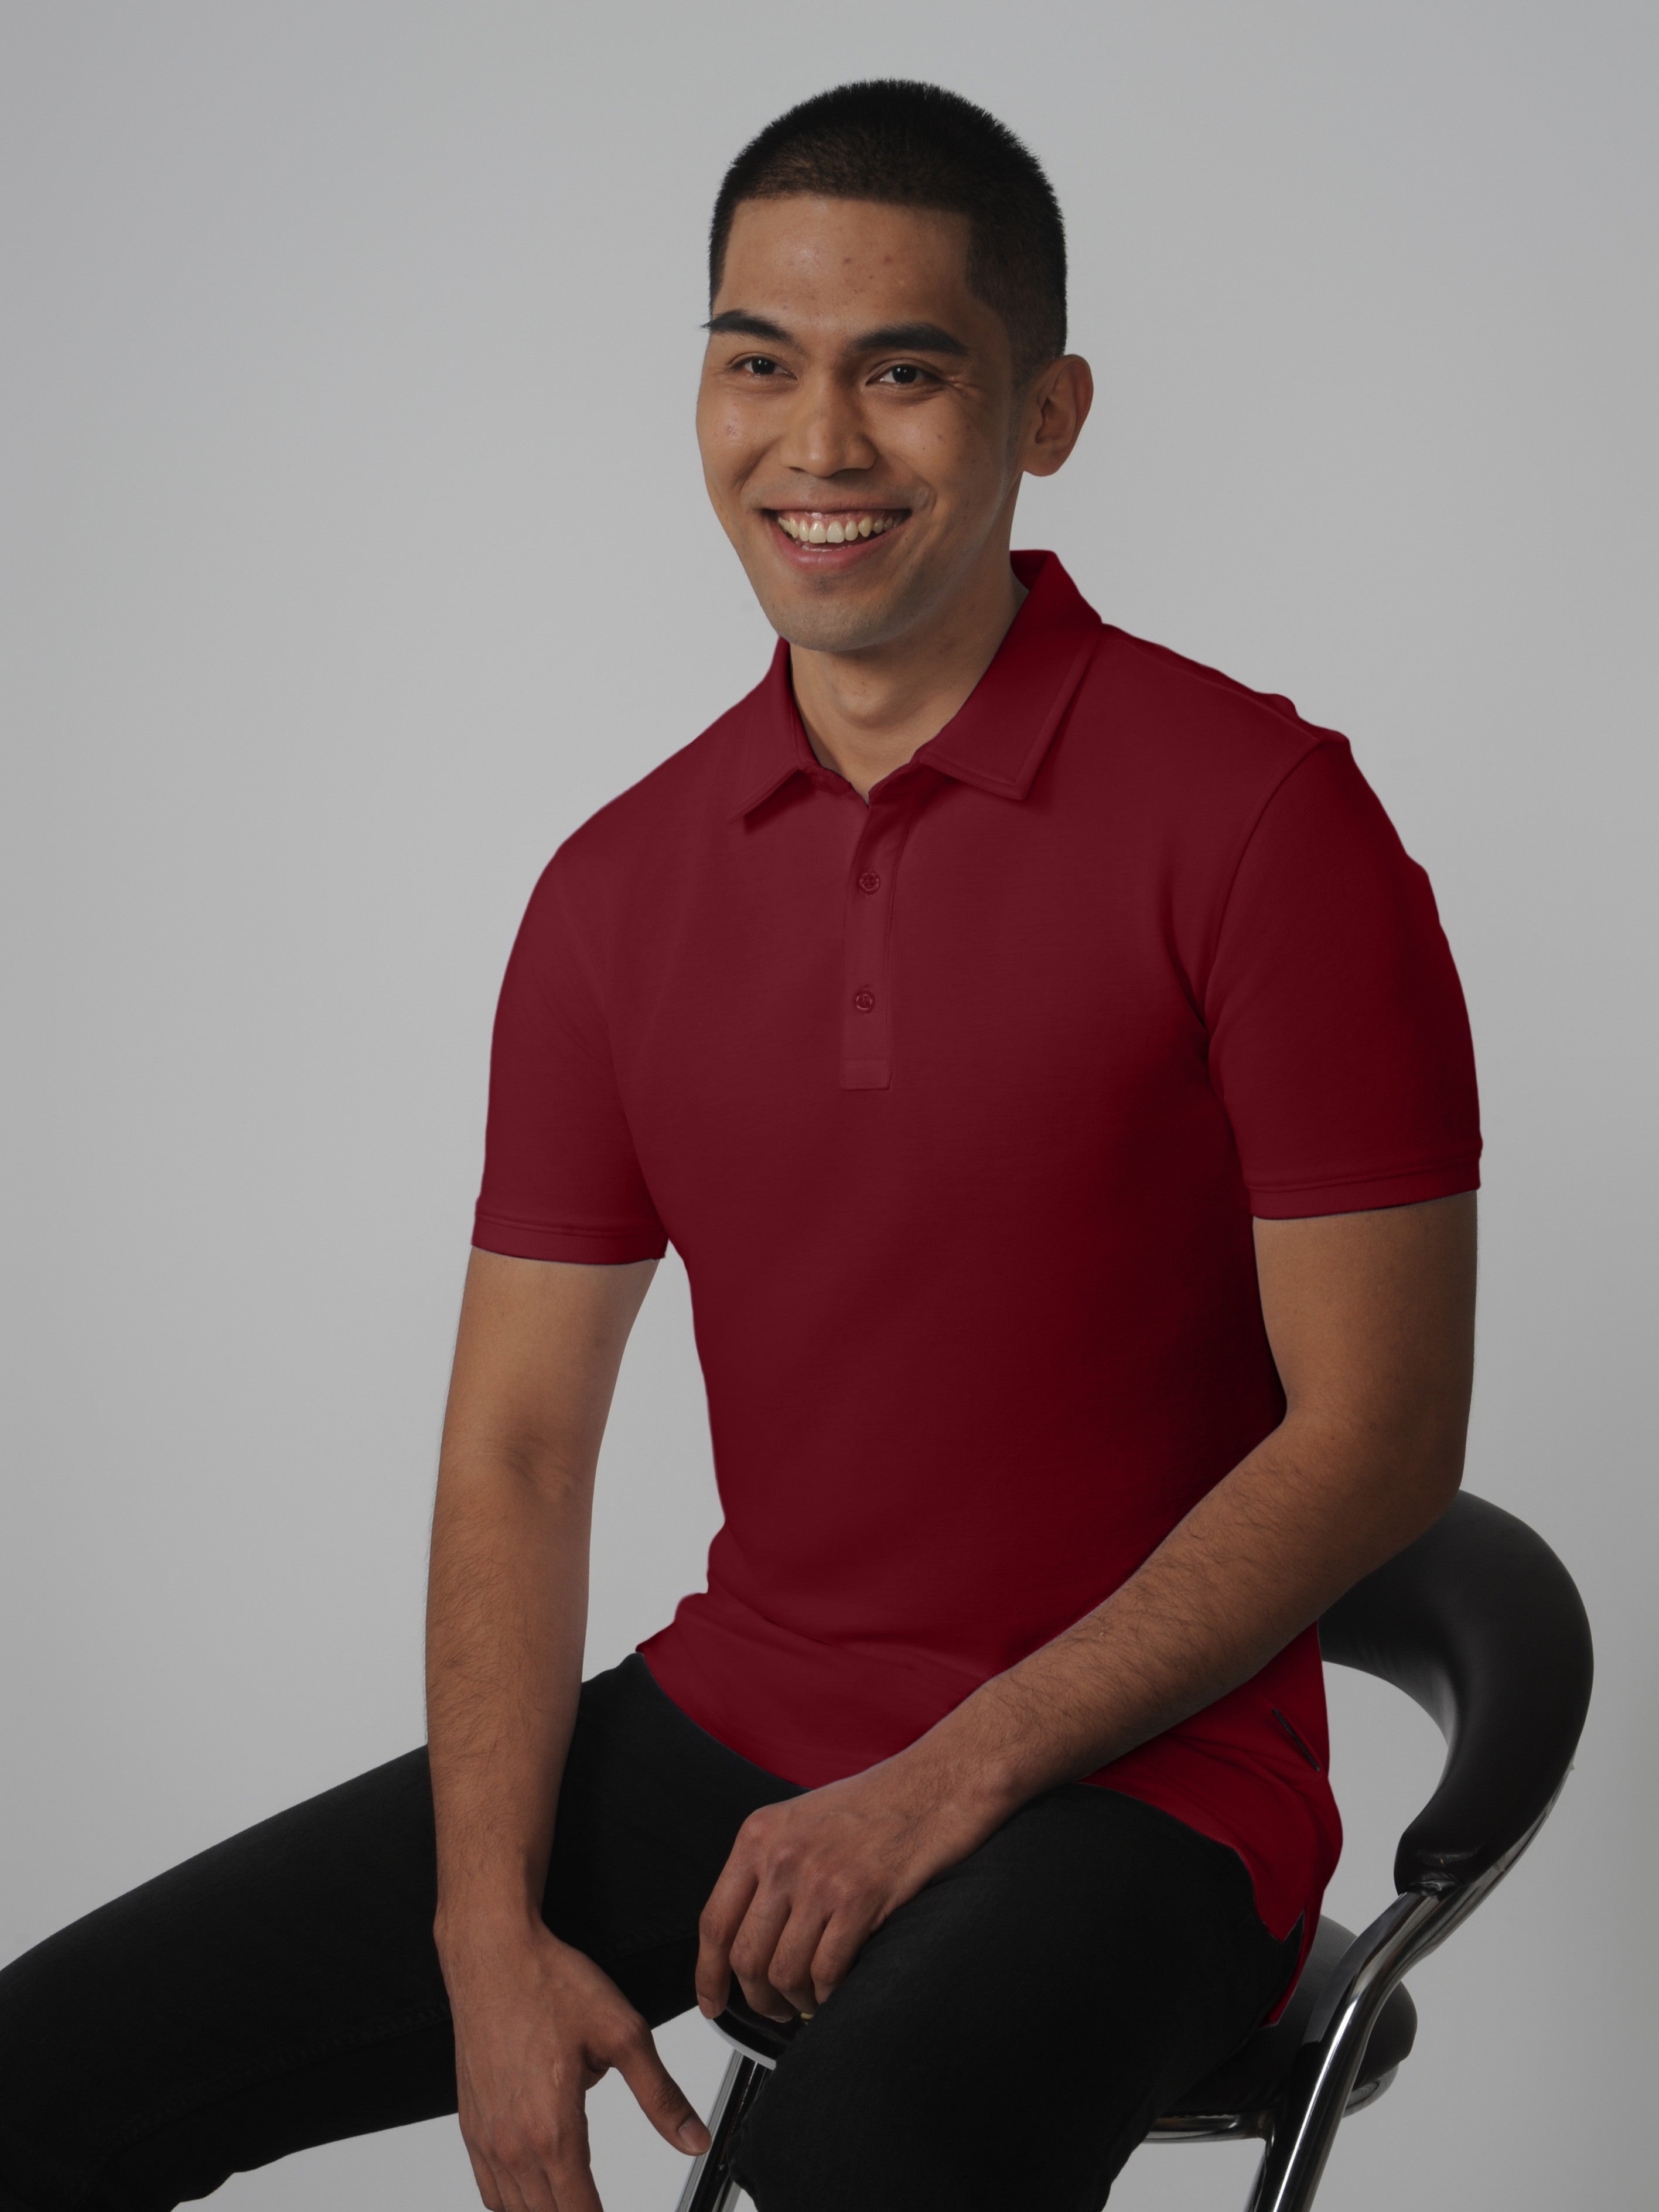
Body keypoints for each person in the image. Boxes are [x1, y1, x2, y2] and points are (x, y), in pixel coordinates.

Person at [0, 78, 1480, 2212]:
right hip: (739, 1714)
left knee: (861, 2149)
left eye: (905, 370)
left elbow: (1383, 1433)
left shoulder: (1263, 823)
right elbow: (517, 1446)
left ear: (1045, 412)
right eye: (757, 362)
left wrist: (933, 1787)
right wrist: (484, 1941)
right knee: (50, 2068)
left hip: (1151, 1782)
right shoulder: (618, 892)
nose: (820, 443)